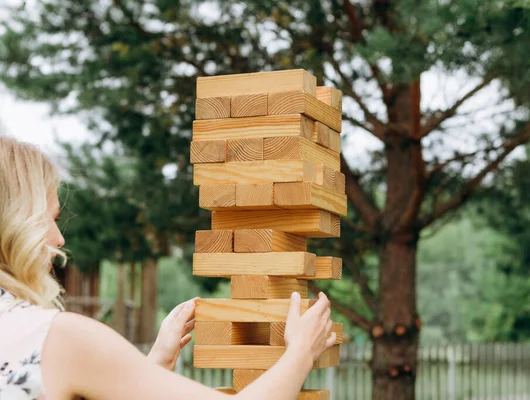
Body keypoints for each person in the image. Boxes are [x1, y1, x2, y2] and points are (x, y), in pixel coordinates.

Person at [0, 136, 337, 400]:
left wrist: (153, 365)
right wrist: (301, 352)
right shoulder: (59, 337)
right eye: (51, 218)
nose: (59, 239)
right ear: (16, 222)